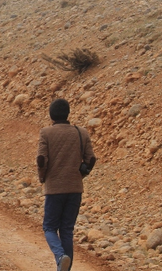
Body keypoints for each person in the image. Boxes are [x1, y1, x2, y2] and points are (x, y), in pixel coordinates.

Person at [37, 99, 97, 271]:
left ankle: (59, 256)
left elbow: (41, 160)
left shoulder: (46, 132)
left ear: (51, 115)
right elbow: (91, 159)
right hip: (75, 188)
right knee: (67, 230)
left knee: (49, 227)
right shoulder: (82, 132)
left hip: (54, 188)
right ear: (68, 113)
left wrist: (43, 178)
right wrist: (81, 175)